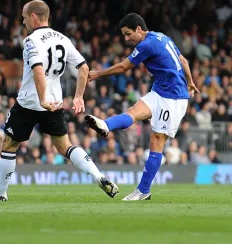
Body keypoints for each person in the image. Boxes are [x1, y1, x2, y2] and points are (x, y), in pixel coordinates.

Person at [0, 0, 119, 202]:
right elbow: (83, 67)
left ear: (34, 17)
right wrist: (78, 96)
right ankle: (98, 176)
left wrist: (42, 99)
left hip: (30, 101)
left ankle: (0, 193)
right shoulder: (62, 38)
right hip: (55, 103)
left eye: (24, 16)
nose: (22, 20)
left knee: (9, 145)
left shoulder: (31, 40)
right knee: (65, 146)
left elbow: (38, 70)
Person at [85, 13, 199, 201]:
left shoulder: (146, 44)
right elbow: (183, 61)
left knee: (156, 141)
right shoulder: (161, 36)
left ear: (139, 29)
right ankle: (106, 125)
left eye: (128, 34)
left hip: (173, 98)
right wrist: (191, 81)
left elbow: (123, 68)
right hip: (160, 90)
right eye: (124, 35)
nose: (126, 38)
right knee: (133, 112)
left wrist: (97, 74)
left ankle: (143, 190)